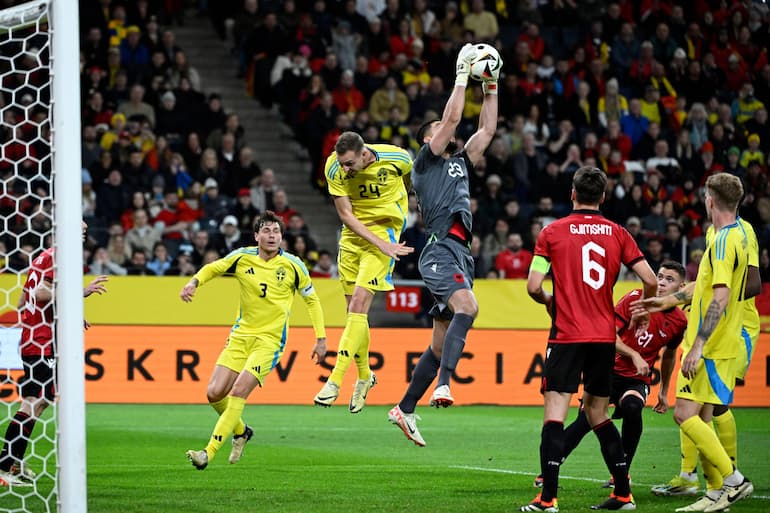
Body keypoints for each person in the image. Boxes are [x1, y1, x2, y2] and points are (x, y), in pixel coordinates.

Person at [521, 166, 658, 512]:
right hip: (603, 337)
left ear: (572, 193)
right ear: (603, 196)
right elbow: (651, 280)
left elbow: (533, 286)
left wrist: (550, 301)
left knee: (555, 412)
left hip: (567, 335)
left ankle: (548, 499)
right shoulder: (618, 233)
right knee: (598, 412)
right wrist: (642, 311)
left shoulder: (551, 232)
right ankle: (624, 494)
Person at [387, 42, 499, 447]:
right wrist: (461, 75)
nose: (445, 129)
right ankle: (445, 386)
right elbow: (452, 118)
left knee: (437, 342)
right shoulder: (426, 161)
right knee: (468, 306)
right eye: (436, 129)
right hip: (437, 249)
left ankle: (405, 408)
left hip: (460, 253)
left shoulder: (461, 160)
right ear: (428, 139)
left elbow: (486, 130)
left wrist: (491, 87)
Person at [633, 173, 754, 512]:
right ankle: (716, 492)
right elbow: (702, 287)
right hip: (723, 340)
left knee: (686, 414)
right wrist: (666, 301)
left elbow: (720, 297)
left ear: (710, 200)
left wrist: (698, 345)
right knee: (697, 413)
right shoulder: (741, 233)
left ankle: (733, 482)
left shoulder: (722, 241)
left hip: (713, 344)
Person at [183, 211, 327, 470]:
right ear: (256, 236)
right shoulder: (242, 257)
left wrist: (321, 338)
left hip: (269, 342)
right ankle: (242, 432)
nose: (272, 236)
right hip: (241, 335)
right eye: (267, 231)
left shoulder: (293, 265)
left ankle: (208, 452)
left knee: (238, 391)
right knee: (214, 393)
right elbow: (214, 268)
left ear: (282, 237)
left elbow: (312, 301)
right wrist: (194, 283)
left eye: (276, 232)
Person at [532, 261, 688, 489]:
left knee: (634, 408)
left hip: (635, 379)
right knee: (585, 421)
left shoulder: (679, 321)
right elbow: (608, 335)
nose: (662, 283)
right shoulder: (636, 298)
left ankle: (622, 472)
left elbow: (670, 354)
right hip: (607, 368)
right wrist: (634, 354)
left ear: (682, 287)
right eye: (660, 277)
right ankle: (548, 471)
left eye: (669, 280)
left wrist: (664, 392)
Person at [0, 221, 108, 487]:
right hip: (41, 341)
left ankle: (12, 461)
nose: (84, 234)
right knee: (36, 402)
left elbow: (23, 301)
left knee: (38, 400)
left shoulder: (41, 257)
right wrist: (75, 295)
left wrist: (71, 306)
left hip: (35, 338)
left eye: (85, 231)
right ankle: (5, 465)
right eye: (80, 230)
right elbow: (41, 292)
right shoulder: (57, 256)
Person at [313, 131, 413, 413]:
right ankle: (366, 376)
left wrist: (390, 234)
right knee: (354, 314)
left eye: (349, 163)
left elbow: (411, 177)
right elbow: (345, 215)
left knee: (359, 304)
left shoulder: (397, 157)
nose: (345, 169)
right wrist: (379, 242)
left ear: (364, 153)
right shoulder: (334, 166)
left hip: (383, 233)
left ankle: (334, 380)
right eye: (341, 163)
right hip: (353, 237)